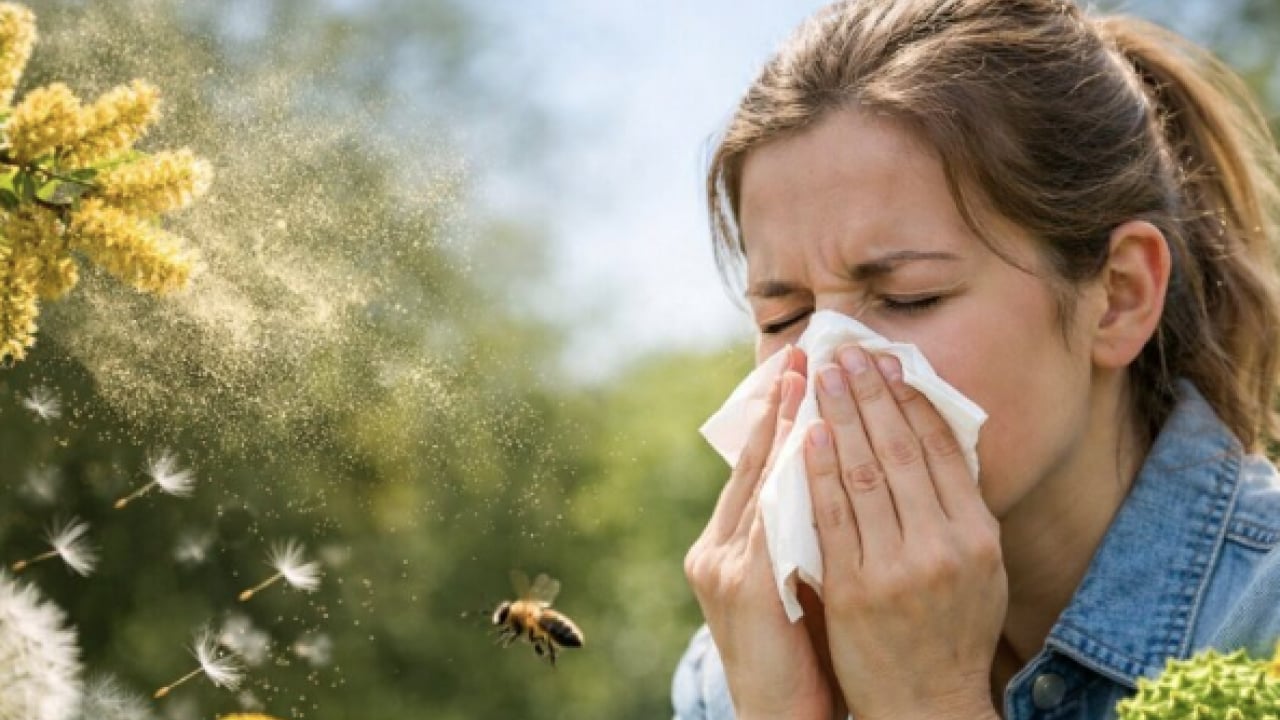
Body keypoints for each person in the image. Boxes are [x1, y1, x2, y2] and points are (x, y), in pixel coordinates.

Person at [673, 1, 1280, 718]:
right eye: (786, 315)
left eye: (909, 297)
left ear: (1117, 296)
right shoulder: (742, 659)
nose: (829, 371)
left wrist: (927, 702)